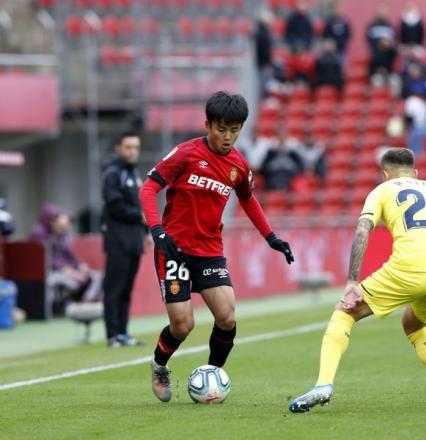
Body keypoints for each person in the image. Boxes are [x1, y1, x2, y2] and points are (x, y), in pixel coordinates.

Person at [288, 148, 426, 412]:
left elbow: (362, 231)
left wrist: (351, 282)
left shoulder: (382, 190)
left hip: (410, 266)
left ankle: (323, 385)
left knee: (344, 312)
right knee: (413, 323)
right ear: (416, 173)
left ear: (384, 174)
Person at [139, 92, 294, 403]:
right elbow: (149, 187)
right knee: (183, 325)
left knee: (227, 317)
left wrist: (271, 237)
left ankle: (212, 377)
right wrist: (157, 231)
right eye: (222, 129)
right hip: (174, 249)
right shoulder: (185, 154)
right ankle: (159, 365)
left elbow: (248, 199)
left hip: (209, 249)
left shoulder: (238, 165)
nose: (228, 137)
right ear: (207, 124)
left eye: (235, 130)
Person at [101, 132, 146, 348]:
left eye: (135, 147)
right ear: (118, 148)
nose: (132, 151)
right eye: (128, 147)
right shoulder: (113, 173)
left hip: (134, 241)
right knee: (114, 289)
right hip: (118, 241)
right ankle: (112, 335)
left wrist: (144, 233)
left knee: (126, 289)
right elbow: (114, 204)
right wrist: (139, 217)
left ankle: (123, 333)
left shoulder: (134, 173)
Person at [30, 205, 103, 314]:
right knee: (67, 281)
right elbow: (48, 260)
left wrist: (81, 266)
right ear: (52, 222)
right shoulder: (39, 234)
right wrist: (68, 271)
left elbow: (71, 256)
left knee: (97, 276)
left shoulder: (62, 236)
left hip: (67, 271)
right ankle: (58, 308)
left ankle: (85, 305)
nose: (65, 229)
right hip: (46, 273)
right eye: (61, 226)